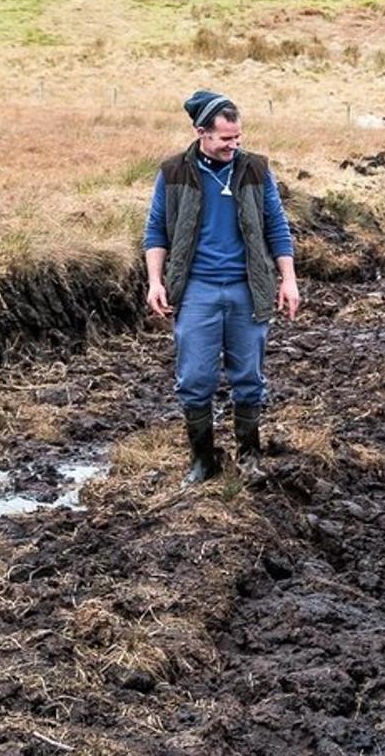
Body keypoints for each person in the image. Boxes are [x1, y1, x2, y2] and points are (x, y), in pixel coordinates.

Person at [143, 90, 299, 484]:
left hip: (248, 289)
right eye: (226, 138)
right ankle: (203, 460)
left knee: (249, 376)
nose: (235, 144)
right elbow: (156, 231)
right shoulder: (174, 172)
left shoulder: (256, 171)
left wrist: (289, 280)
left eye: (238, 137)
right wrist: (155, 282)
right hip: (197, 291)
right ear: (202, 133)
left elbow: (276, 228)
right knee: (195, 379)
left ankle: (249, 457)